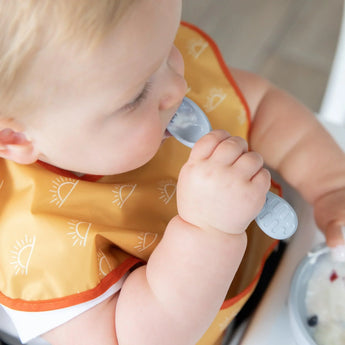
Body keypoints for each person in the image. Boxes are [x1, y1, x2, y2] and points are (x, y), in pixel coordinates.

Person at [0, 1, 344, 345]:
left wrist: (331, 185)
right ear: (14, 137)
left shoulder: (139, 61)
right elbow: (132, 339)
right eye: (136, 97)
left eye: (169, 48)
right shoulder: (32, 247)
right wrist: (206, 231)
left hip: (280, 263)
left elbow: (261, 107)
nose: (178, 87)